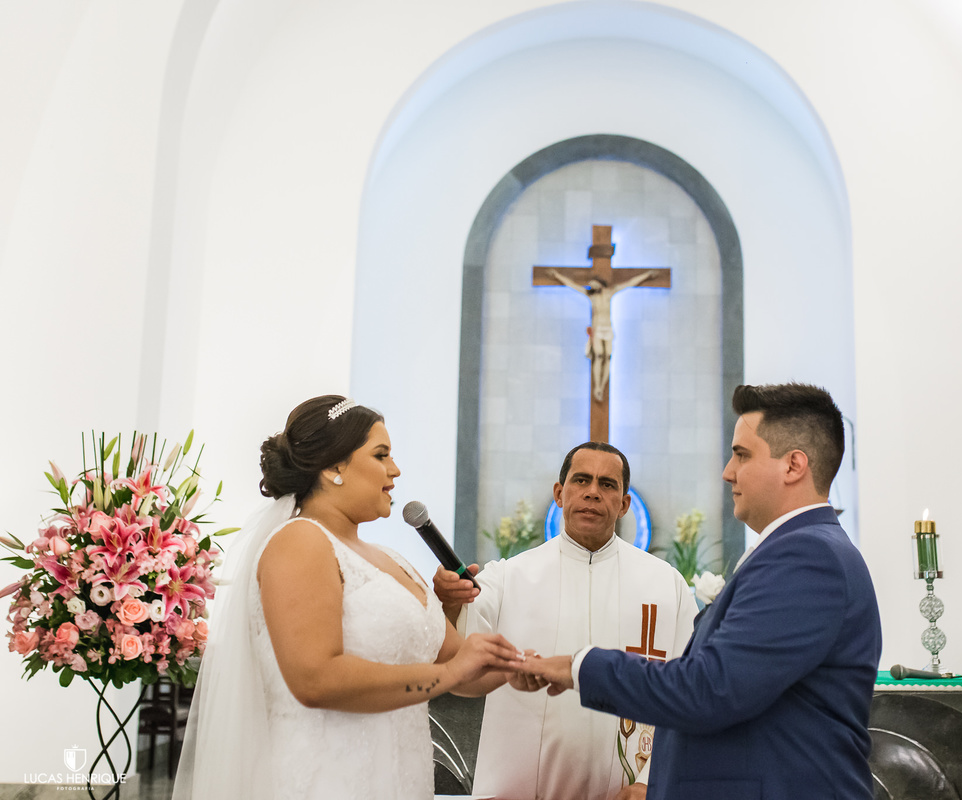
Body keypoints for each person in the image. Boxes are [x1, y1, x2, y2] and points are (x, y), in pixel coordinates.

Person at [520, 383, 883, 799]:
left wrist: (577, 666)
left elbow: (711, 688)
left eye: (742, 455)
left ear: (793, 465)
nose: (728, 471)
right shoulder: (802, 549)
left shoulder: (808, 556)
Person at [172, 395, 525, 800]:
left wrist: (528, 667)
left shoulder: (393, 560)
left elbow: (460, 666)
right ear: (334, 466)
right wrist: (451, 674)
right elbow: (315, 680)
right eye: (381, 455)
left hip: (401, 780)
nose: (395, 470)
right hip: (329, 780)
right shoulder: (300, 542)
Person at [433, 442, 696, 800]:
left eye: (607, 484)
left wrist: (649, 783)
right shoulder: (508, 578)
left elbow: (689, 690)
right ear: (559, 493)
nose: (592, 492)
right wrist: (449, 603)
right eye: (581, 480)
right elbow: (457, 666)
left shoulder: (667, 585)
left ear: (624, 504)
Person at [547, 268, 658, 401]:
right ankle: (597, 387)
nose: (591, 286)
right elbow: (572, 285)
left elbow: (630, 283)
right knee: (599, 356)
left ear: (600, 283)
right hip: (598, 329)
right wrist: (557, 275)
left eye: (593, 283)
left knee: (608, 357)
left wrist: (646, 275)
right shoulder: (591, 296)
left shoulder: (610, 293)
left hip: (608, 328)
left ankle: (602, 385)